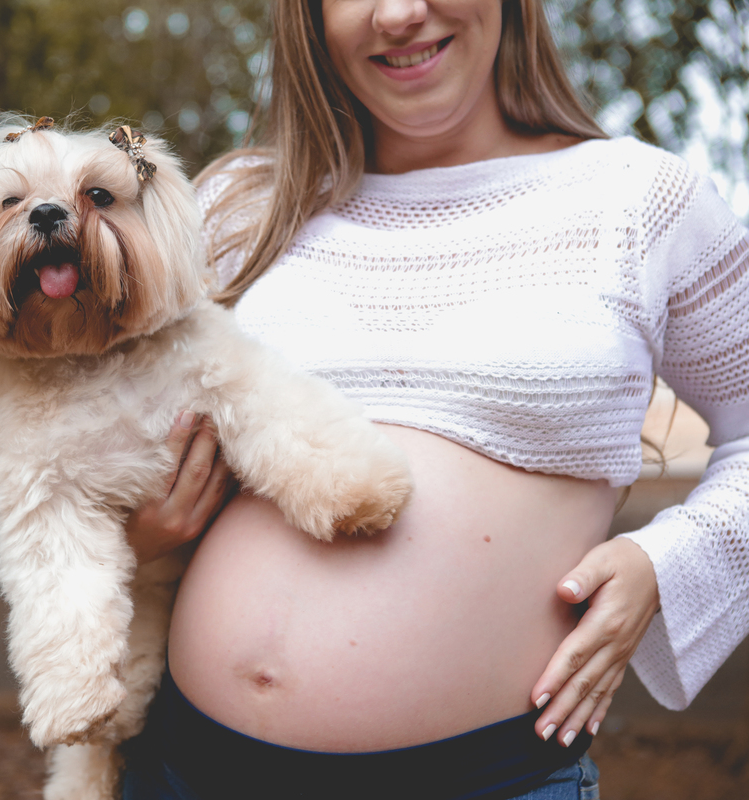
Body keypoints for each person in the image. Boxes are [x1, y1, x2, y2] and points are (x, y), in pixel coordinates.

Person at [118, 0, 749, 797]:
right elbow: (88, 424)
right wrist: (128, 539)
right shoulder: (239, 206)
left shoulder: (637, 200)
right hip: (185, 771)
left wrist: (665, 564)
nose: (399, 13)